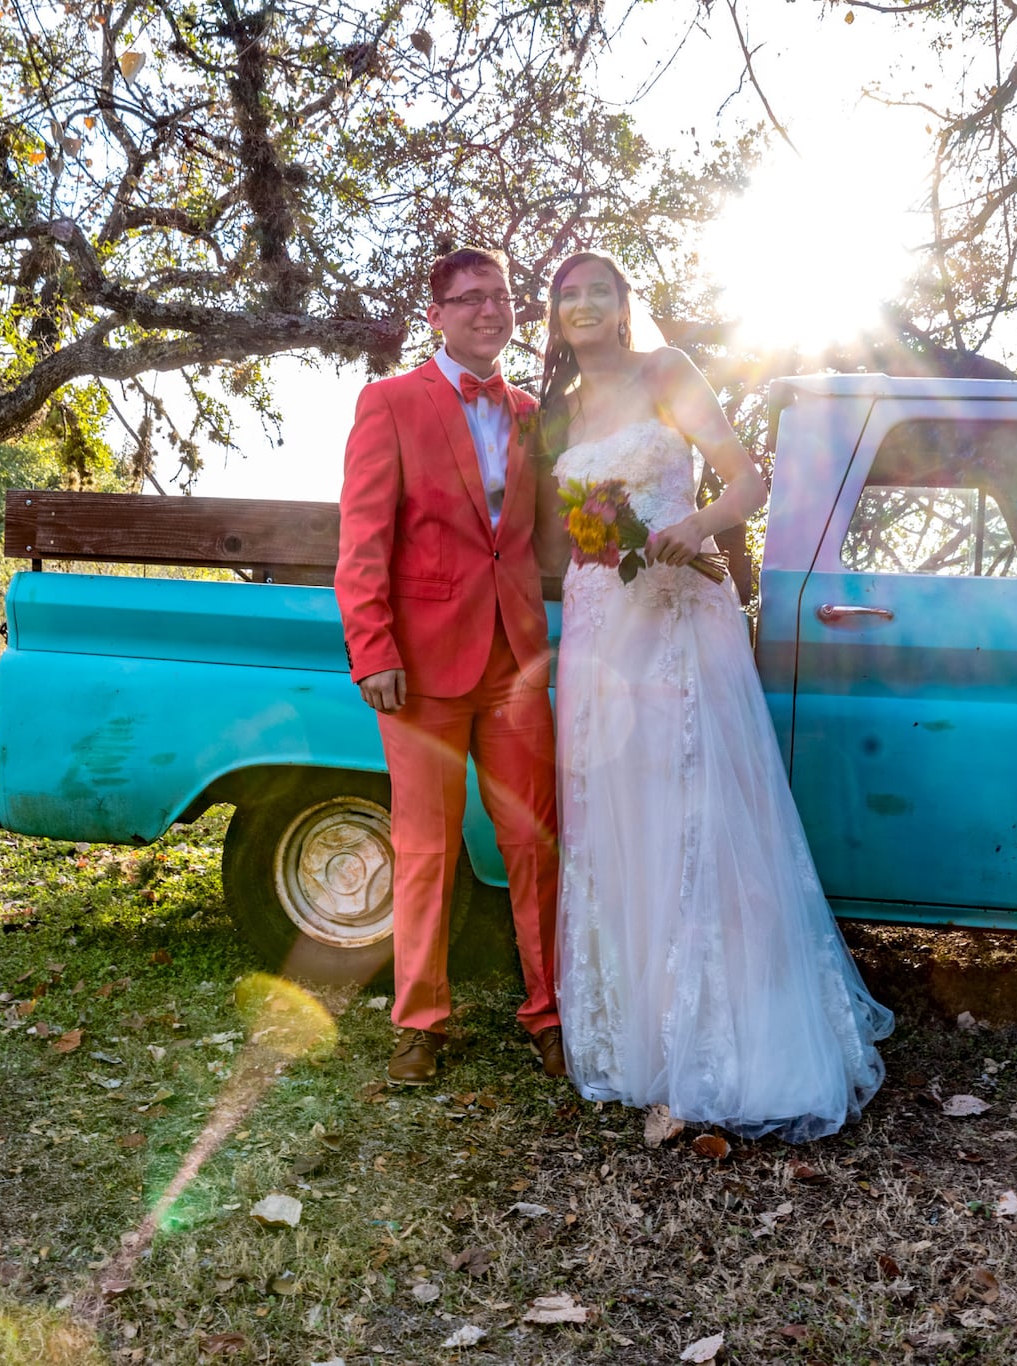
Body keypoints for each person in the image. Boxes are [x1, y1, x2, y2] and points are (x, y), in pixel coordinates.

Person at [538, 250, 893, 1141]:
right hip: (595, 624)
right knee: (617, 810)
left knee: (694, 805)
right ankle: (642, 1037)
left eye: (599, 291)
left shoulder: (669, 371)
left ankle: (724, 1039)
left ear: (624, 305)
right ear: (553, 315)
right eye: (566, 293)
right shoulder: (563, 407)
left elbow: (747, 480)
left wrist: (690, 525)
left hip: (674, 614)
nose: (583, 304)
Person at [334, 246, 567, 1086]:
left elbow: (543, 540)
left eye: (500, 298)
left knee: (535, 844)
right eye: (469, 300)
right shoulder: (391, 402)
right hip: (421, 668)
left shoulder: (534, 414)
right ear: (435, 315)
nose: (489, 312)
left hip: (517, 661)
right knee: (426, 847)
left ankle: (548, 1014)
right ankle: (421, 1023)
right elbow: (362, 542)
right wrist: (373, 652)